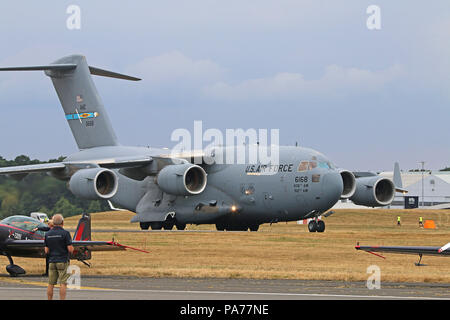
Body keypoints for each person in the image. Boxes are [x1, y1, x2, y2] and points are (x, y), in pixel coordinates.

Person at [44, 214, 74, 300]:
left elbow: (46, 250)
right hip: (63, 261)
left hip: (52, 261)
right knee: (63, 283)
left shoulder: (47, 234)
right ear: (62, 222)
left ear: (53, 223)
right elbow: (70, 249)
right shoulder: (65, 233)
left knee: (51, 283)